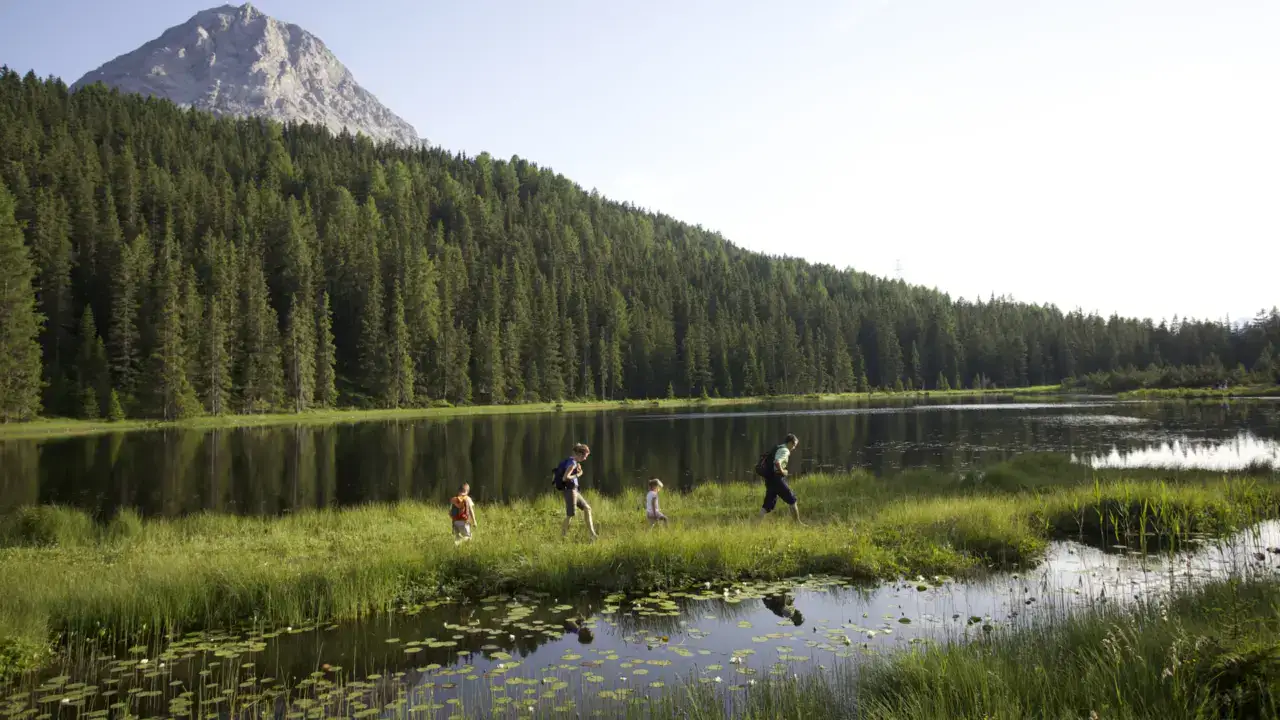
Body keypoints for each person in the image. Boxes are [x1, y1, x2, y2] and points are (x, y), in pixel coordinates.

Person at [758, 433, 802, 523]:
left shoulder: (777, 447)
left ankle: (754, 525)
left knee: (767, 506)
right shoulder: (785, 450)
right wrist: (782, 471)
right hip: (777, 479)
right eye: (794, 445)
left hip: (769, 479)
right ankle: (798, 523)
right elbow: (777, 462)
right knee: (792, 500)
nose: (794, 448)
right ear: (790, 442)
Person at [557, 443, 598, 540]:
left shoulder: (573, 462)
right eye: (585, 456)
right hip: (570, 491)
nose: (585, 459)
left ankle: (593, 534)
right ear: (580, 454)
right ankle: (562, 536)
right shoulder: (572, 463)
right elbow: (565, 478)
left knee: (587, 508)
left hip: (574, 490)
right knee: (570, 515)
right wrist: (578, 475)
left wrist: (577, 471)